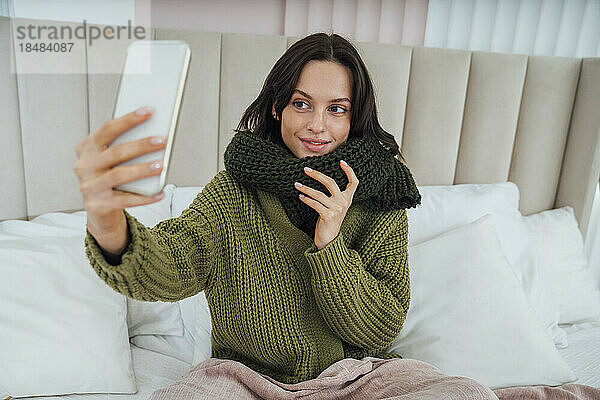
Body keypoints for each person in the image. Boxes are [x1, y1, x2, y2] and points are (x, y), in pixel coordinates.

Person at [75, 33, 496, 398]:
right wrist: (109, 225)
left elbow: (379, 329)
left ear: (354, 117)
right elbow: (173, 265)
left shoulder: (382, 199)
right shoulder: (233, 192)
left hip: (355, 379)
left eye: (337, 109)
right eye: (302, 104)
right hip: (245, 379)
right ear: (278, 108)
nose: (318, 125)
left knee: (468, 393)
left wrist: (330, 244)